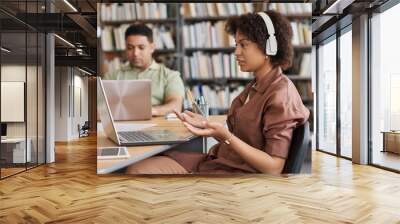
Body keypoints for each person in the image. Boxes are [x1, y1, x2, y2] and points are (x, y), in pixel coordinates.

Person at [125, 10, 310, 175]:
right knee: (139, 165)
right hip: (221, 161)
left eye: (243, 45)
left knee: (137, 170)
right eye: (236, 44)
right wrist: (207, 126)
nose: (236, 52)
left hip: (236, 172)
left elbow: (273, 167)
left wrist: (227, 137)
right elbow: (243, 138)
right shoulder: (255, 85)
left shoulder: (280, 94)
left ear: (269, 47)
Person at [103, 23, 185, 116]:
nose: (135, 53)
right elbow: (100, 106)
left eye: (141, 47)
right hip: (121, 126)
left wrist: (150, 111)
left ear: (152, 47)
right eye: (130, 48)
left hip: (158, 127)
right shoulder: (112, 76)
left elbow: (176, 106)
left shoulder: (170, 76)